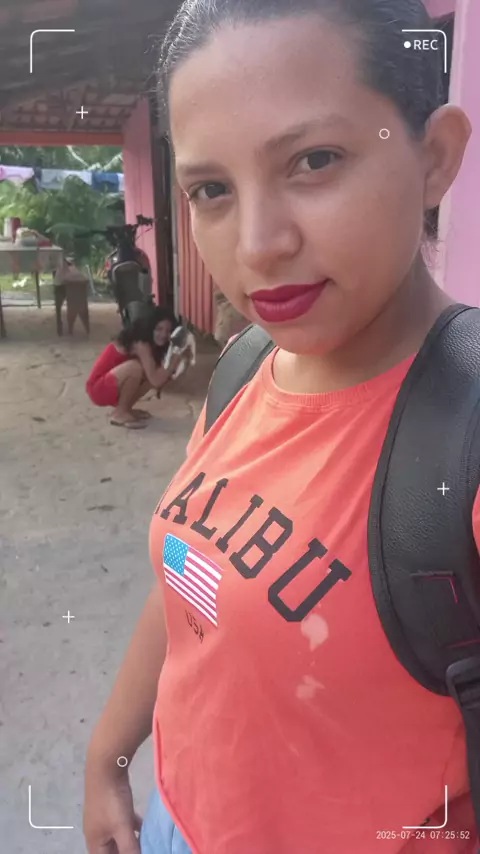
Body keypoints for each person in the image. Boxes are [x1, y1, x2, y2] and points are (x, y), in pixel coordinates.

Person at [83, 0, 476, 852]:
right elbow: (193, 579)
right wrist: (109, 756)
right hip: (176, 821)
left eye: (314, 160)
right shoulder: (244, 366)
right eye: (212, 190)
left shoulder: (464, 443)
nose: (258, 244)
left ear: (435, 157)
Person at [86, 306, 185, 429]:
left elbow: (156, 378)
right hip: (97, 389)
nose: (164, 334)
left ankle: (126, 409)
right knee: (136, 368)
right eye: (159, 329)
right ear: (150, 327)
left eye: (168, 331)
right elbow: (156, 380)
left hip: (111, 385)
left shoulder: (152, 345)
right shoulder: (141, 344)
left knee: (148, 374)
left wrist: (178, 359)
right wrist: (175, 360)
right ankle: (120, 413)